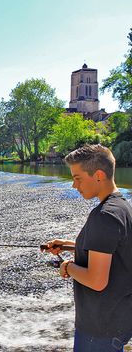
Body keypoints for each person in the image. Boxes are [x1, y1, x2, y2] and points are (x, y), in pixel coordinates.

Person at [45, 144, 132, 352]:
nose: (74, 186)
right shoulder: (122, 207)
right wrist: (69, 245)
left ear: (99, 175)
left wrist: (67, 267)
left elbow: (96, 280)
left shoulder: (104, 216)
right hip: (117, 321)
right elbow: (112, 250)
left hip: (99, 329)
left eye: (78, 178)